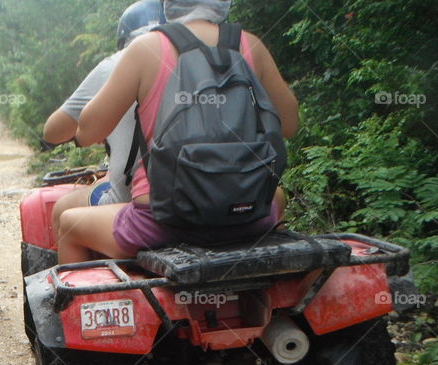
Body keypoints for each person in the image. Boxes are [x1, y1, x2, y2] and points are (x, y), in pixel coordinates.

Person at [57, 0, 299, 264]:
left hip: (161, 224)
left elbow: (88, 130)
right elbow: (289, 125)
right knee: (277, 196)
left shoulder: (147, 48)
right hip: (247, 217)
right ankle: (261, 301)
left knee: (69, 223)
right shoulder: (250, 45)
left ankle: (73, 303)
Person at [42, 1, 166, 235]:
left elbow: (53, 131)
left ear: (123, 37)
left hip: (133, 201)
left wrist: (81, 134)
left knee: (62, 209)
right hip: (195, 193)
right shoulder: (192, 57)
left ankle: (74, 268)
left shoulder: (117, 62)